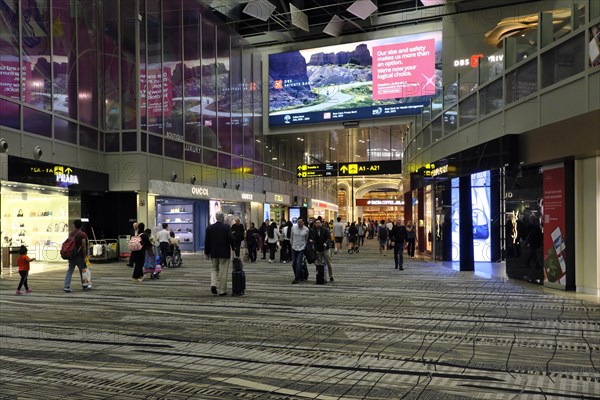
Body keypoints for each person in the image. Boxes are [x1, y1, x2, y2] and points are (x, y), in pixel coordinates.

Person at [204, 211, 235, 296]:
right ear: (222, 218)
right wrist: (233, 247)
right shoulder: (226, 227)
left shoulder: (209, 228)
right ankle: (222, 290)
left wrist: (207, 252)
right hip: (224, 252)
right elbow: (231, 238)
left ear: (216, 218)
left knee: (214, 269)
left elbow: (207, 241)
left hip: (214, 252)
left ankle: (213, 284)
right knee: (223, 271)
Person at [63, 219, 89, 292]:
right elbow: (83, 246)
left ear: (74, 225)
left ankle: (66, 286)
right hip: (79, 256)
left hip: (71, 255)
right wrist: (85, 256)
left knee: (70, 270)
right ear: (81, 225)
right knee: (83, 270)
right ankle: (85, 285)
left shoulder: (72, 233)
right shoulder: (83, 234)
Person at [291, 218, 310, 284]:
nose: (299, 223)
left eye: (300, 222)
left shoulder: (306, 230)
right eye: (298, 222)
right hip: (294, 247)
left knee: (298, 262)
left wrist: (304, 246)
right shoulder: (293, 228)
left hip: (301, 248)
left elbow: (306, 239)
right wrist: (292, 244)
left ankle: (297, 278)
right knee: (293, 263)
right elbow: (291, 237)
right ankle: (300, 274)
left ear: (303, 222)